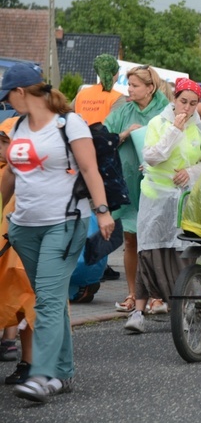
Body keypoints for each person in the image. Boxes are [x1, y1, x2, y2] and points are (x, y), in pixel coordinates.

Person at [0, 63, 115, 403]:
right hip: (23, 227)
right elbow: (10, 176)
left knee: (47, 301)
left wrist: (103, 211)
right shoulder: (18, 126)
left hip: (63, 223)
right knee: (51, 300)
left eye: (8, 94)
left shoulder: (69, 123)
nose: (6, 101)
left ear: (22, 92)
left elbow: (90, 168)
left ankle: (41, 375)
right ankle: (62, 372)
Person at [124, 79, 201, 333]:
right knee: (149, 251)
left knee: (182, 253)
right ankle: (139, 311)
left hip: (184, 200)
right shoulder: (158, 123)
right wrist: (174, 130)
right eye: (183, 101)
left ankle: (185, 307)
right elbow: (152, 156)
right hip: (156, 199)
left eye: (193, 103)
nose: (187, 108)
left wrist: (191, 172)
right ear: (174, 99)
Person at [104, 65, 170, 314]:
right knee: (130, 238)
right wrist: (124, 133)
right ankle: (132, 294)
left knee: (154, 241)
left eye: (134, 85)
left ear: (150, 88)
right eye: (128, 85)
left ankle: (156, 295)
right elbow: (104, 139)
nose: (129, 90)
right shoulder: (124, 110)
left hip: (157, 184)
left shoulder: (166, 110)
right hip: (128, 183)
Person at [69, 54, 126, 303]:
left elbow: (69, 118)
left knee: (84, 216)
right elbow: (114, 130)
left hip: (78, 156)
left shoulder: (82, 94)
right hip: (103, 158)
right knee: (102, 219)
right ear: (115, 74)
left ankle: (85, 266)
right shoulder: (117, 97)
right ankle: (95, 266)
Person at [0, 116, 35, 386]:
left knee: (27, 302)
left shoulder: (22, 169)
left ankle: (31, 362)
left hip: (19, 247)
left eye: (4, 143)